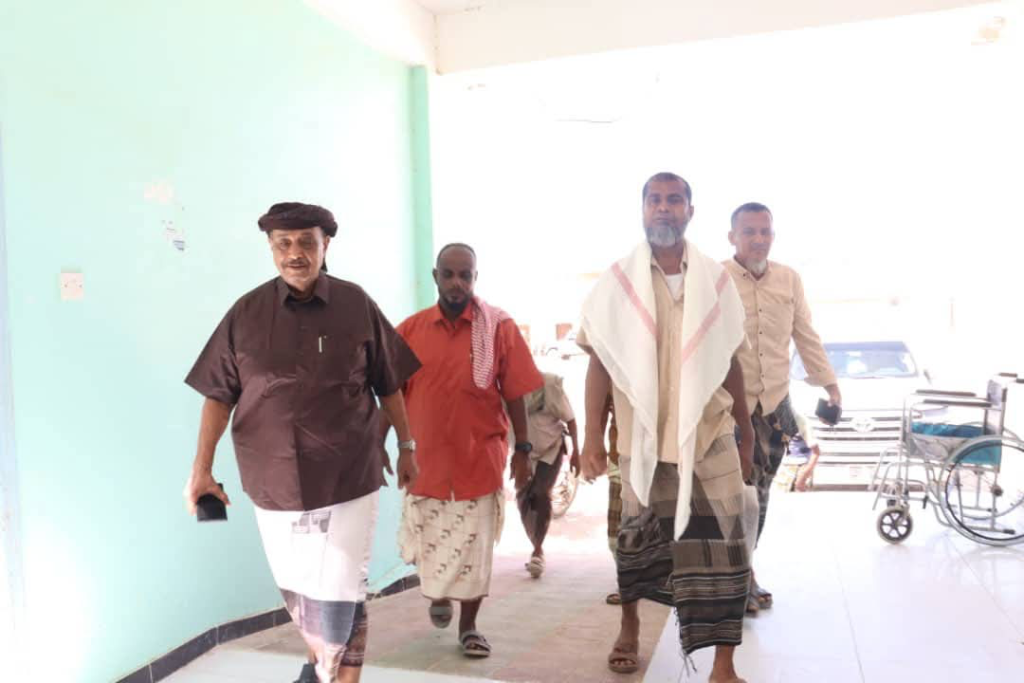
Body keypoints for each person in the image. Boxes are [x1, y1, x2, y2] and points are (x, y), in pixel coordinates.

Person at [182, 203, 421, 683]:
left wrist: (407, 446)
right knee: (300, 591)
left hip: (348, 475)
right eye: (284, 244)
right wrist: (201, 470)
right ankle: (320, 668)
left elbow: (389, 382)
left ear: (325, 245)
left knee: (343, 588)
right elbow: (218, 395)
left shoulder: (355, 304)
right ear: (271, 248)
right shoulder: (246, 313)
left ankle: (332, 675)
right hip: (272, 480)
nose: (295, 253)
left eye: (306, 242)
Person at [579, 173, 754, 682]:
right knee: (635, 541)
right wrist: (591, 437)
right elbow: (599, 363)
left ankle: (723, 665)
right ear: (642, 210)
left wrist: (745, 433)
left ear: (689, 211)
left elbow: (731, 361)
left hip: (709, 434)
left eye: (674, 200)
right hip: (642, 438)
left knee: (727, 546)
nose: (663, 208)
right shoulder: (617, 284)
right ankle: (630, 627)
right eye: (654, 200)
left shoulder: (717, 282)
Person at [390, 243, 543, 658]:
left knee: (475, 550)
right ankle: (439, 595)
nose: (457, 283)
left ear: (476, 278)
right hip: (427, 464)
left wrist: (523, 449)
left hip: (479, 460)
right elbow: (392, 395)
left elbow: (515, 391)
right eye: (449, 274)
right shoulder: (410, 331)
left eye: (466, 275)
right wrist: (386, 447)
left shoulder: (498, 328)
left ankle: (469, 626)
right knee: (430, 545)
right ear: (435, 276)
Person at [723, 202, 839, 612]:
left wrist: (830, 385)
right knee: (733, 497)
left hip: (773, 407)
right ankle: (737, 578)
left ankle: (744, 571)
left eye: (765, 231)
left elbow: (805, 334)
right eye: (749, 231)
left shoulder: (789, 279)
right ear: (732, 237)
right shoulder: (715, 279)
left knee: (760, 496)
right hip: (727, 409)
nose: (759, 239)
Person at [515, 372, 580, 578]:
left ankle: (538, 550)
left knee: (541, 492)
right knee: (524, 497)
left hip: (550, 448)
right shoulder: (506, 386)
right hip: (523, 451)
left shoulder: (548, 384)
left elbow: (571, 419)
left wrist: (576, 453)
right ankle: (535, 542)